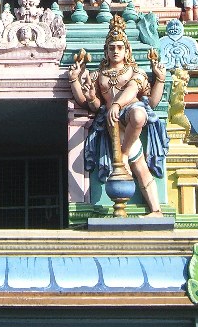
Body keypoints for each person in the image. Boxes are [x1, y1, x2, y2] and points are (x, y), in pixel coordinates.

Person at [69, 16, 168, 215]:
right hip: (112, 123)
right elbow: (91, 104)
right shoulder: (99, 74)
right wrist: (76, 83)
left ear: (127, 51)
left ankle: (123, 154)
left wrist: (160, 79)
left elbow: (150, 100)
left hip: (129, 115)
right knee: (139, 165)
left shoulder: (134, 72)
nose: (115, 51)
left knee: (139, 115)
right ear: (106, 51)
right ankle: (155, 210)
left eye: (120, 47)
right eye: (112, 47)